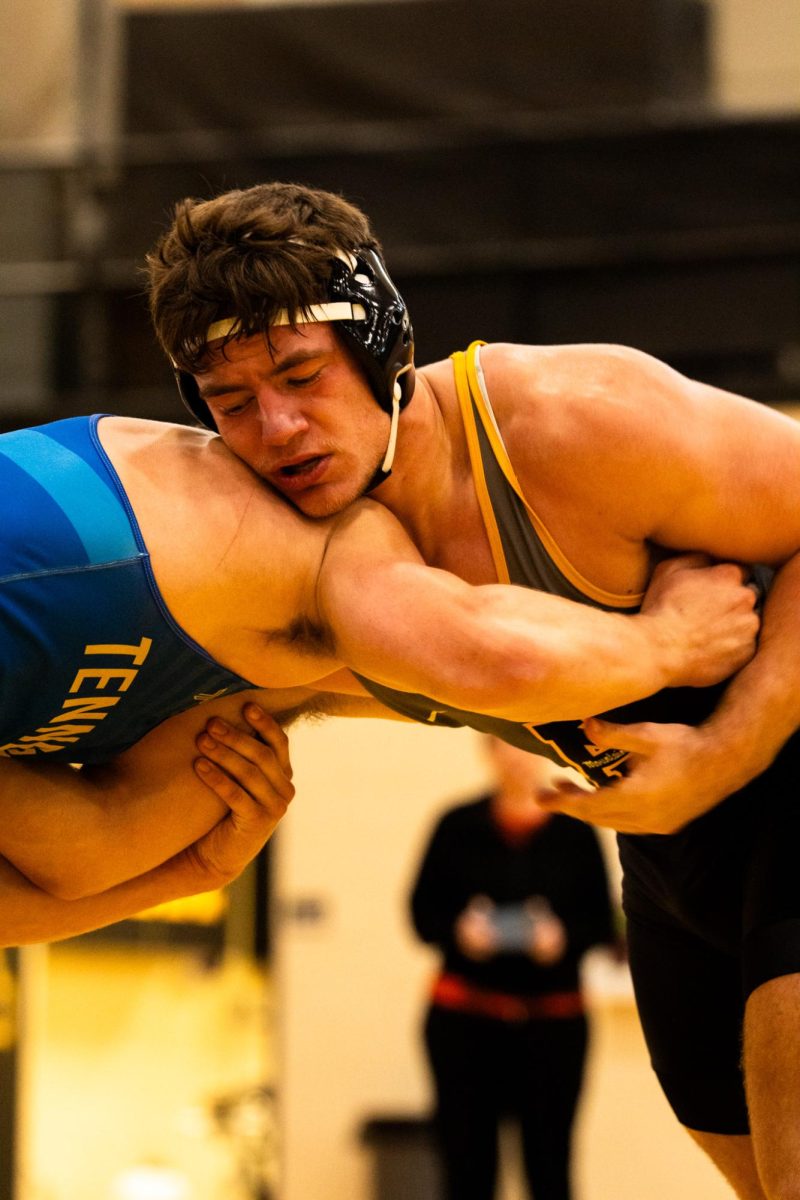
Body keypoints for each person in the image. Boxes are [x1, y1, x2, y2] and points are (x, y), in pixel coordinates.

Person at [145, 180, 800, 1198]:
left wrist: (724, 751)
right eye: (233, 404)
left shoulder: (568, 422)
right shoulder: (286, 560)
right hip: (672, 848)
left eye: (300, 374)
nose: (276, 430)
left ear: (380, 346)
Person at [0, 412, 747, 913]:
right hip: (135, 647)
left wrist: (670, 642)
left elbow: (478, 650)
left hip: (111, 551)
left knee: (406, 628)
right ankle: (668, 648)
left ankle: (673, 633)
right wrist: (203, 870)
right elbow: (83, 864)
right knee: (355, 669)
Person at [410, 738, 615, 1200]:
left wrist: (561, 938)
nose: (517, 756)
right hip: (464, 1024)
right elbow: (422, 914)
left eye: (524, 745)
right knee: (466, 1169)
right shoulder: (456, 825)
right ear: (488, 751)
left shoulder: (576, 832)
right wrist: (460, 931)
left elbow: (601, 921)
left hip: (553, 1029)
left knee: (550, 1168)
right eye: (505, 745)